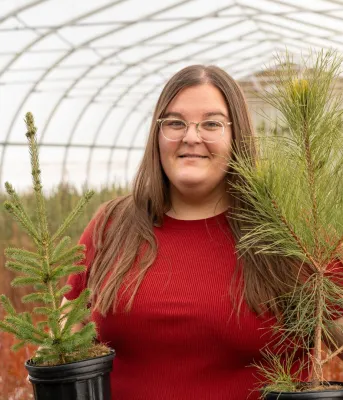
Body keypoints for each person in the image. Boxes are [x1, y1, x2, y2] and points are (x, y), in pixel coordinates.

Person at [63, 65, 309, 399]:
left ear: (238, 136)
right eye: (175, 123)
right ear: (157, 134)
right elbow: (65, 329)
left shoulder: (287, 232)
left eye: (211, 123)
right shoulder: (111, 225)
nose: (191, 137)